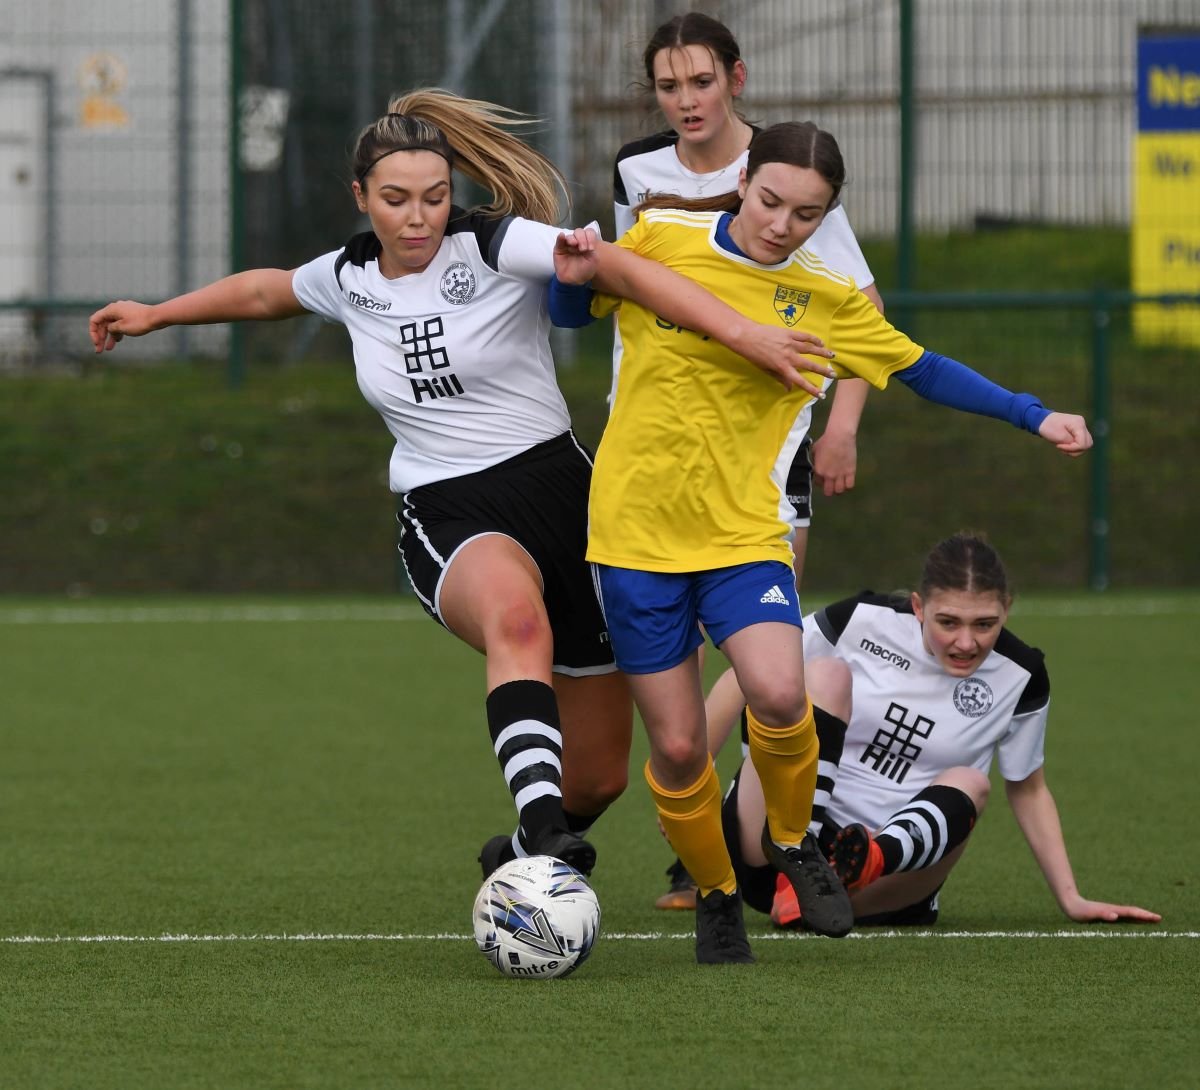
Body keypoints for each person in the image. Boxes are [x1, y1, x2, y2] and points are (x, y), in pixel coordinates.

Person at [87, 90, 837, 884]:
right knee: (519, 620)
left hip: (568, 494)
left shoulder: (491, 244)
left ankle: (518, 854)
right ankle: (545, 832)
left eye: (436, 197)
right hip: (448, 504)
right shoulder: (347, 276)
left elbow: (621, 269)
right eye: (396, 200)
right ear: (360, 197)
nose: (419, 218)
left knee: (600, 776)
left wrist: (744, 330)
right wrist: (158, 315)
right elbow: (267, 290)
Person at [550, 120, 1093, 963]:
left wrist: (1034, 413)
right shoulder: (658, 237)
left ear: (826, 215)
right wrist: (570, 271)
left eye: (807, 214)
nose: (781, 225)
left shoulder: (828, 297)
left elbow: (922, 368)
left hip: (744, 536)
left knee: (777, 691)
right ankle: (720, 897)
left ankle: (796, 842)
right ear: (742, 185)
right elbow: (573, 309)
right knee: (681, 745)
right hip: (632, 540)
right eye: (770, 201)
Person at [611, 10, 885, 910]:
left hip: (763, 456)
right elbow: (625, 282)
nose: (686, 100)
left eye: (701, 82)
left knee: (766, 667)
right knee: (683, 703)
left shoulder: (784, 172)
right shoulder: (637, 175)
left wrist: (842, 423)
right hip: (656, 454)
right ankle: (715, 853)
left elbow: (858, 313)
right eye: (668, 85)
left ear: (737, 77)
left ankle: (760, 838)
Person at [706, 532, 1162, 929]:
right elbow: (741, 678)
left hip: (882, 880)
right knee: (824, 676)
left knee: (972, 782)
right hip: (767, 851)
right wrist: (689, 786)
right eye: (949, 622)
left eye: (985, 624)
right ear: (920, 607)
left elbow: (1028, 790)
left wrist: (1071, 898)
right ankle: (800, 864)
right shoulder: (861, 619)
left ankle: (860, 866)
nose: (967, 642)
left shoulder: (1022, 675)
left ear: (1007, 609)